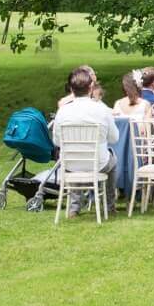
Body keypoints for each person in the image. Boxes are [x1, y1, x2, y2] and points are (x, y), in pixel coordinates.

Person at [53, 69, 121, 213]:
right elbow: (114, 138)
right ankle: (109, 206)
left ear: (71, 89)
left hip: (71, 164)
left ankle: (74, 208)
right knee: (113, 160)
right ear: (91, 88)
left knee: (76, 159)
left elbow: (57, 142)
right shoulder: (102, 110)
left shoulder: (62, 112)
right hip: (99, 164)